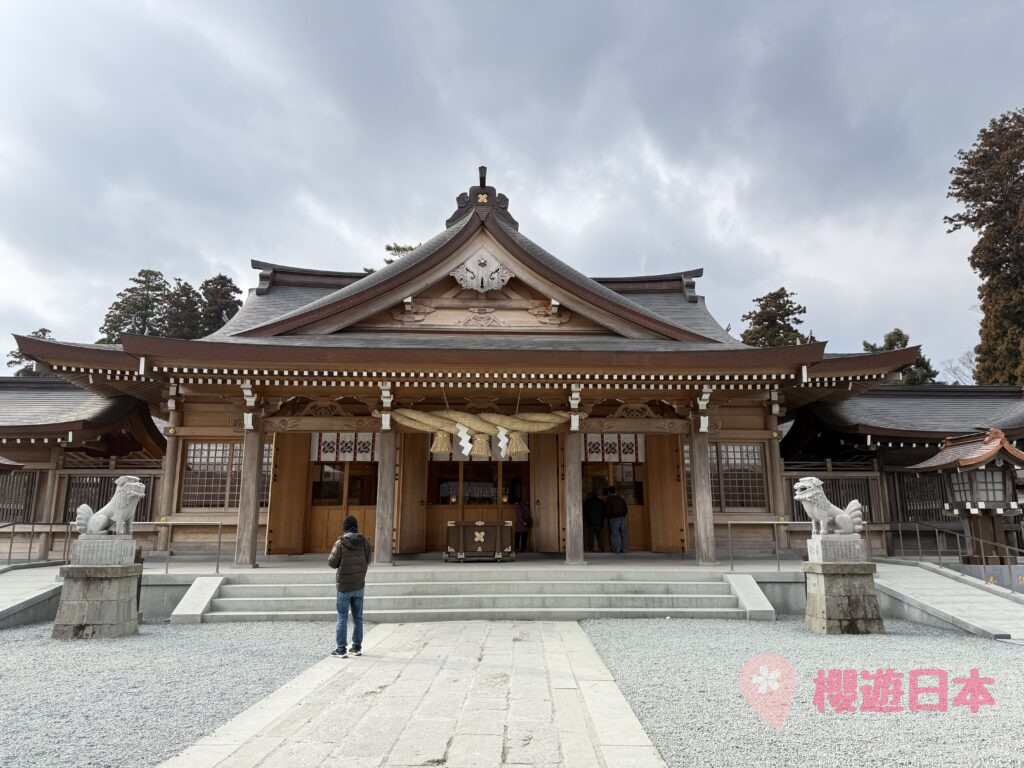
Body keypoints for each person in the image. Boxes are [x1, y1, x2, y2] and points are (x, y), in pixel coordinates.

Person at [327, 515, 372, 658]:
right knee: (358, 618)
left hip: (344, 586)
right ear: (356, 526)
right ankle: (356, 647)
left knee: (342, 617)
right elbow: (368, 560)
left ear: (345, 527)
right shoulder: (364, 542)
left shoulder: (340, 543)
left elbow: (332, 563)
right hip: (359, 584)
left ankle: (341, 649)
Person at [604, 486, 629, 554]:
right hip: (622, 517)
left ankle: (616, 549)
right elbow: (626, 508)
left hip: (614, 518)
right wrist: (623, 515)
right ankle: (624, 549)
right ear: (615, 491)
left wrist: (608, 517)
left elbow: (607, 510)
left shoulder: (609, 499)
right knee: (623, 534)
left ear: (609, 492)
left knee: (615, 534)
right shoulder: (620, 498)